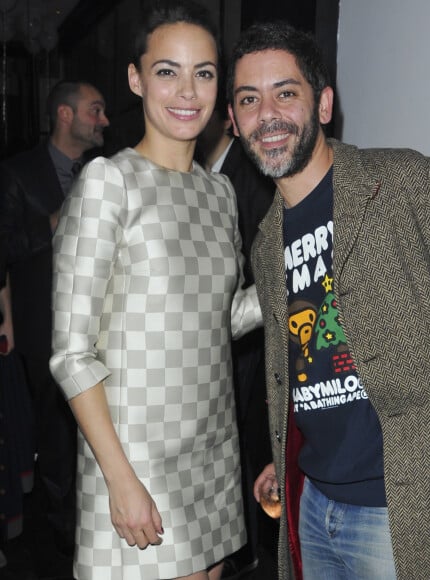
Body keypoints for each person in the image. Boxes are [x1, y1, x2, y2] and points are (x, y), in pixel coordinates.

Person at [227, 21, 430, 580]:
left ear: (322, 104)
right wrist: (284, 454)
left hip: (412, 506)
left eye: (285, 93)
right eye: (249, 99)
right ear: (235, 120)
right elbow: (302, 362)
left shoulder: (407, 181)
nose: (267, 114)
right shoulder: (268, 240)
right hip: (313, 504)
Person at [49, 2, 262, 579]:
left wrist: (301, 276)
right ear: (136, 79)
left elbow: (222, 318)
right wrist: (119, 479)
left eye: (204, 72)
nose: (187, 90)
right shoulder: (108, 182)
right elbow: (71, 355)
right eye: (167, 71)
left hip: (213, 452)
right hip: (136, 458)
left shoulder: (218, 195)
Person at [0, 79, 109, 557]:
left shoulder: (107, 170)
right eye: (95, 110)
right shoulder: (18, 173)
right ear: (65, 115)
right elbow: (4, 247)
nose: (105, 120)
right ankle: (64, 524)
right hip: (43, 327)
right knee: (55, 427)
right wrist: (54, 221)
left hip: (104, 323)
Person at [196, 89, 277, 578]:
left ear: (226, 120)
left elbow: (263, 265)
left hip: (246, 339)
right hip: (211, 345)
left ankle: (244, 550)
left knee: (241, 444)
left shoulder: (247, 177)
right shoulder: (200, 180)